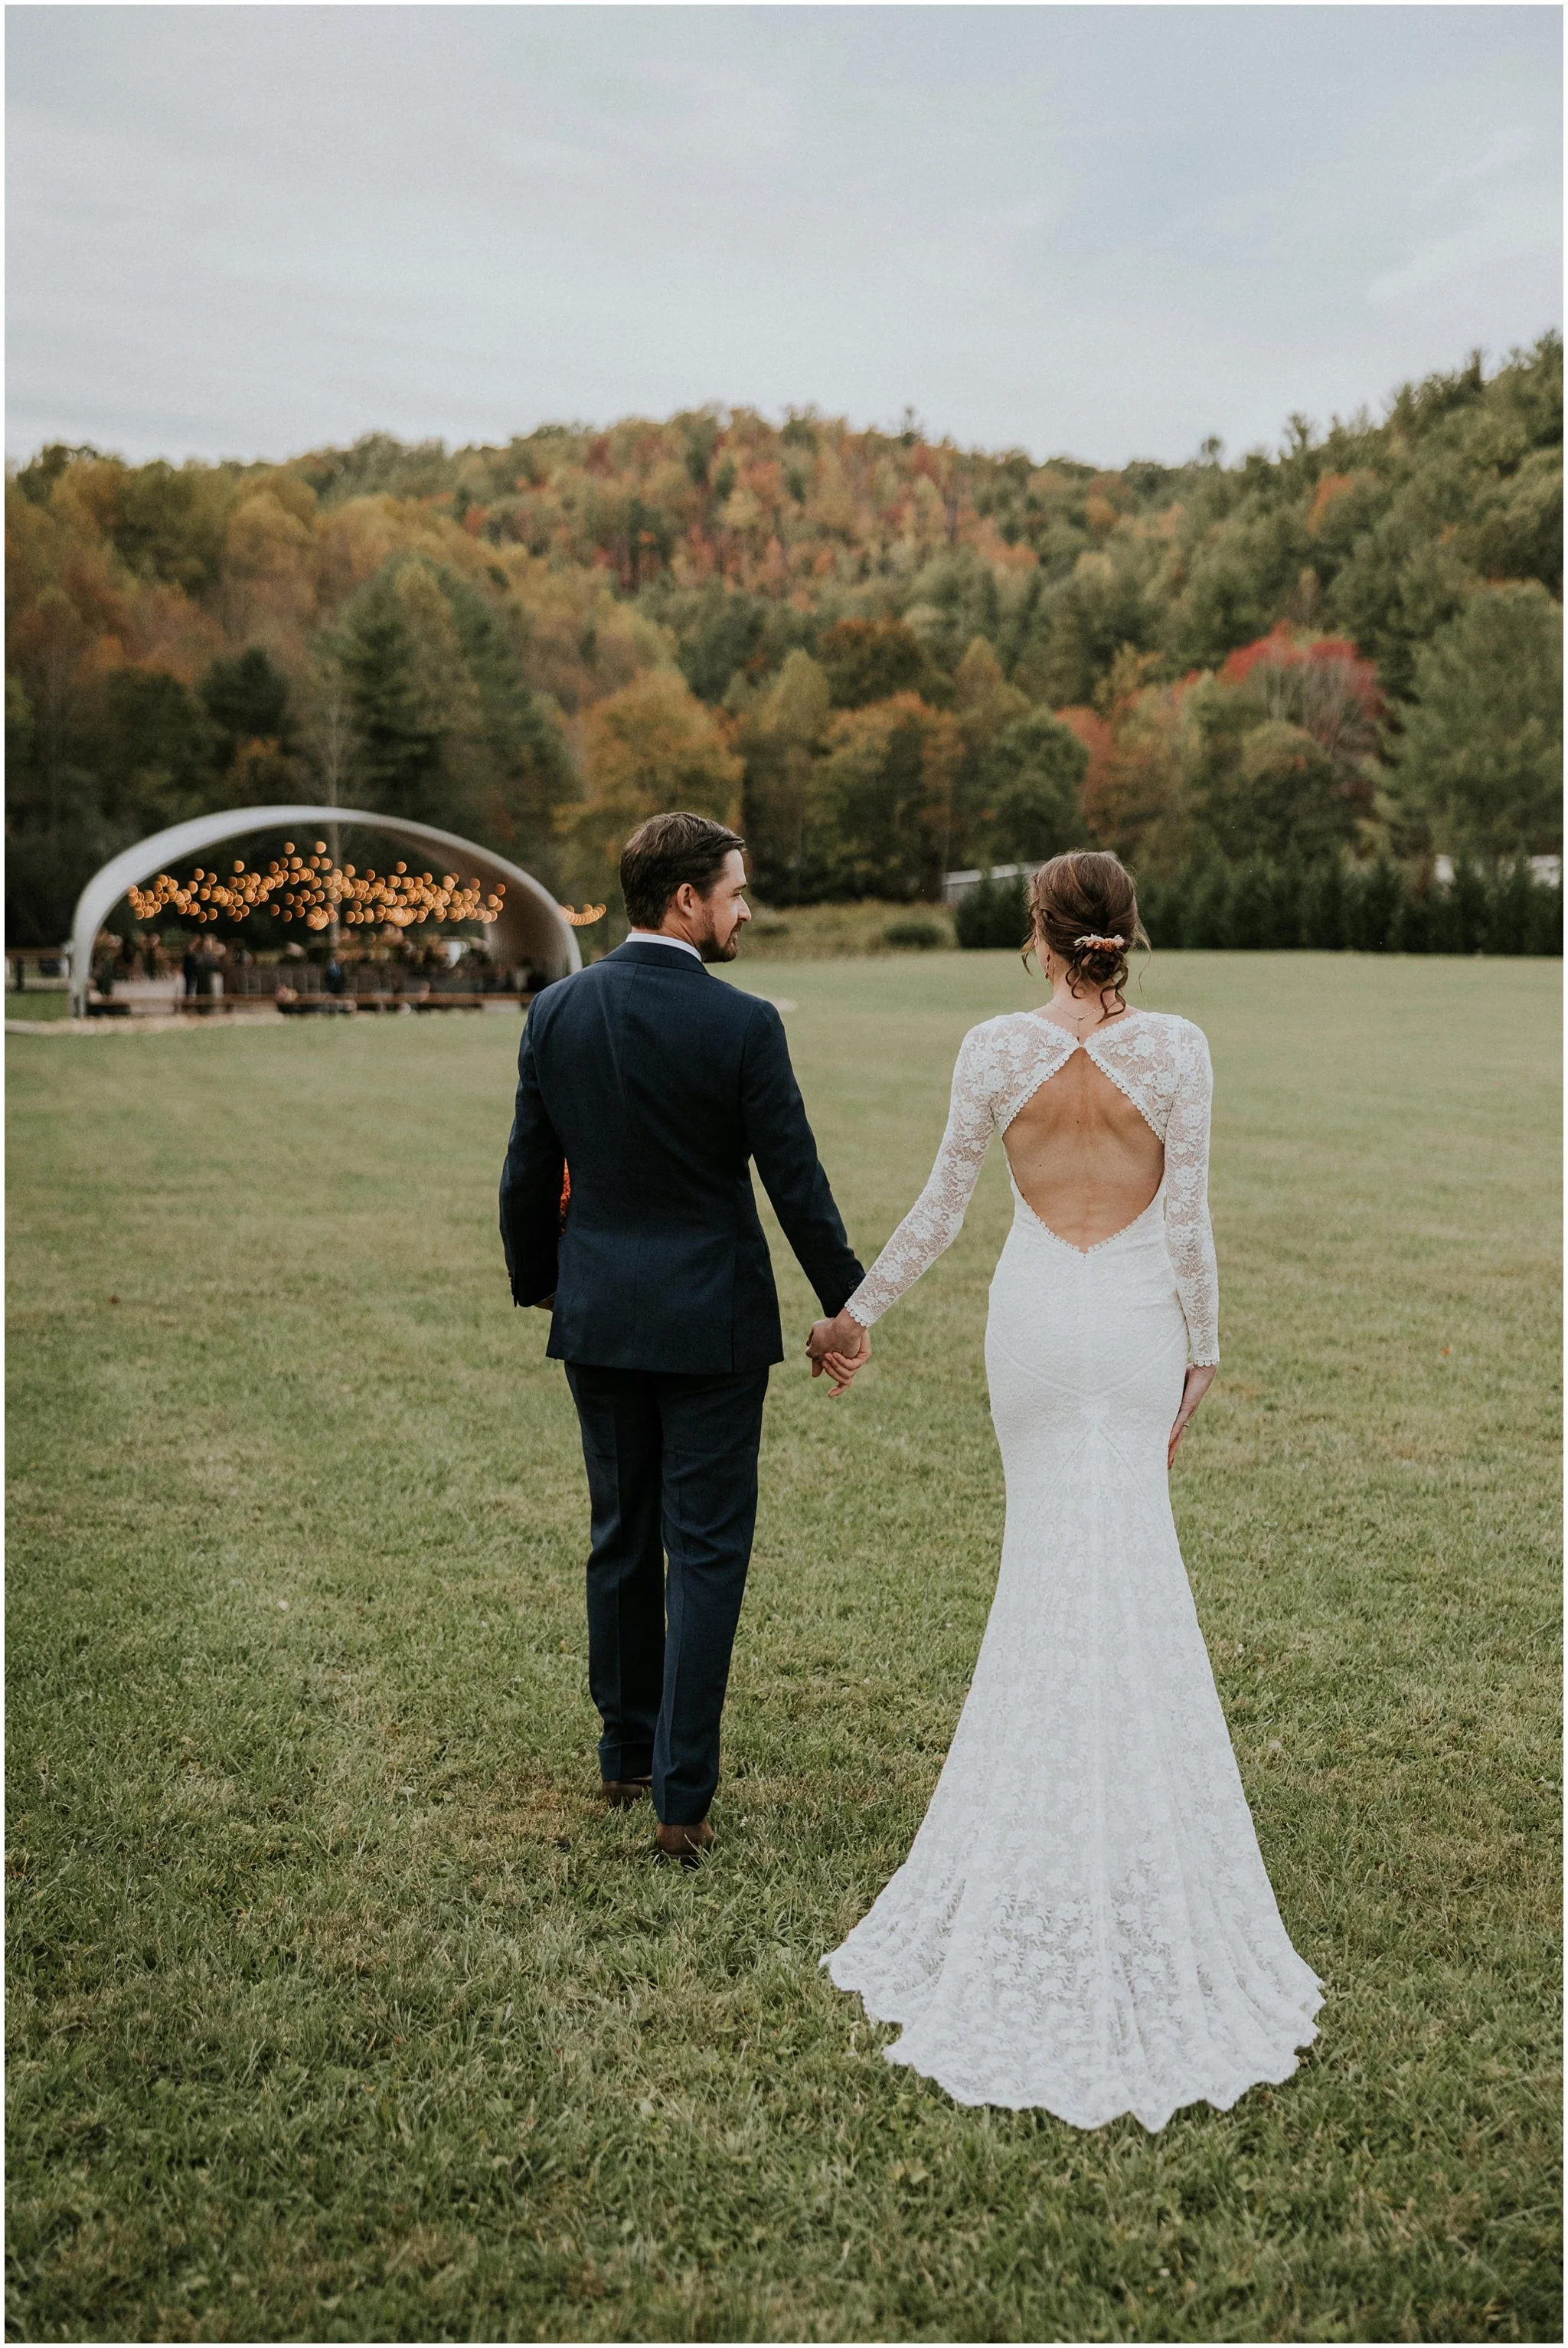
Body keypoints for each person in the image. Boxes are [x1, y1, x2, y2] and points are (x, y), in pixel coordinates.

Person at [807, 850, 1321, 2131]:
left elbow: (939, 1208)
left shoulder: (992, 1048)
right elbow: (1188, 1218)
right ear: (1124, 933)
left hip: (1037, 1326)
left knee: (1044, 1569)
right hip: (1136, 1321)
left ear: (1039, 932)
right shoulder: (1181, 1050)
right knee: (1132, 1561)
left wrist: (853, 1313)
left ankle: (1033, 1844)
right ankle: (1124, 1836)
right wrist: (1203, 1350)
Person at [499, 812, 865, 1864]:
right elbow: (794, 1180)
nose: (747, 908)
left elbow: (528, 1169)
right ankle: (681, 1801)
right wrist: (846, 1302)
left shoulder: (556, 1012)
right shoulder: (743, 1025)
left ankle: (624, 1753)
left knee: (620, 1534)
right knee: (704, 1551)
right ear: (685, 901)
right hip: (713, 1326)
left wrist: (544, 1285)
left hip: (602, 1316)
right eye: (736, 892)